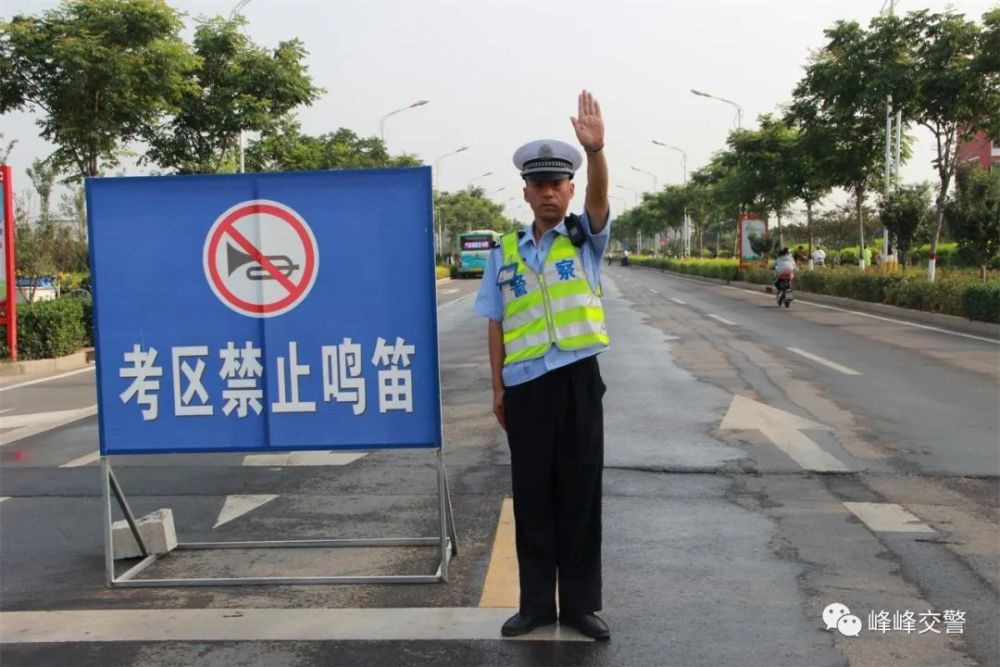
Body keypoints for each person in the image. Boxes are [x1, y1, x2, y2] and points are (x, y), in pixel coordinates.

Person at [473, 90, 611, 641]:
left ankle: (579, 606)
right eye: (540, 185)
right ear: (526, 192)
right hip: (526, 387)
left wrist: (597, 152)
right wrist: (497, 388)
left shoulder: (585, 239)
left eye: (559, 184)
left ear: (570, 190)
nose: (549, 192)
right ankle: (535, 606)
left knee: (580, 492)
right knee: (531, 494)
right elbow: (495, 321)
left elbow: (601, 201)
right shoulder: (503, 252)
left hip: (579, 379)